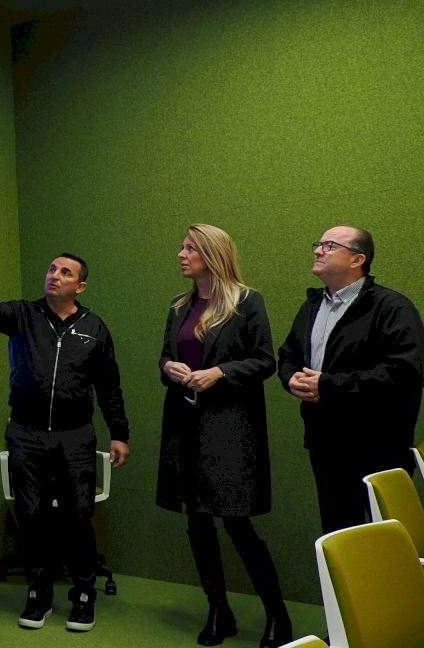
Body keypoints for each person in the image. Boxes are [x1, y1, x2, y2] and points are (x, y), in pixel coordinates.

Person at [0, 245, 128, 634]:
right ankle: (39, 593)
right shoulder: (23, 314)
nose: (54, 275)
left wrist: (119, 434)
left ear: (81, 286)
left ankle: (83, 595)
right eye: (52, 269)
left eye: (65, 272)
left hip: (76, 437)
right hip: (26, 434)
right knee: (31, 516)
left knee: (77, 517)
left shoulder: (95, 328)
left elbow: (109, 387)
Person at [157, 224, 290, 647]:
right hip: (185, 426)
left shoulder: (248, 301)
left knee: (237, 523)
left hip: (230, 429)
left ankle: (278, 615)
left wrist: (220, 372)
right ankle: (219, 610)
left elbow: (265, 361)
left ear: (213, 254)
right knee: (197, 522)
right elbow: (166, 357)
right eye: (182, 247)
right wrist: (168, 368)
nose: (181, 254)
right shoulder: (179, 306)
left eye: (190, 248)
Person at [278, 225, 424, 535]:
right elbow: (288, 354)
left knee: (386, 539)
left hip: (378, 446)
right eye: (318, 244)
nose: (318, 250)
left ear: (358, 259)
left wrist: (327, 386)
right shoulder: (312, 306)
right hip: (325, 444)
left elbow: (404, 374)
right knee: (340, 533)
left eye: (330, 245)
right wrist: (291, 379)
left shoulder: (392, 307)